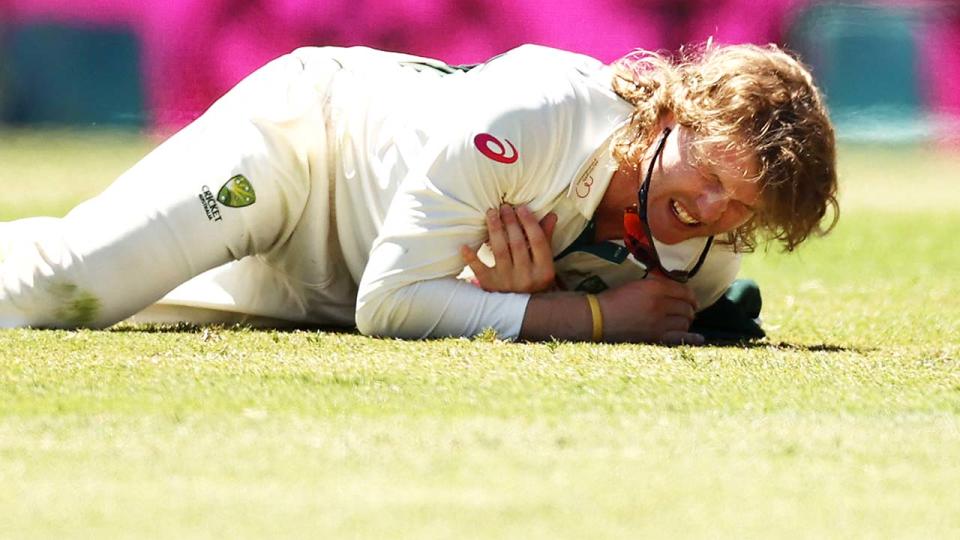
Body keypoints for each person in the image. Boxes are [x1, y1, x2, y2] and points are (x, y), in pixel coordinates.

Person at [0, 42, 837, 344]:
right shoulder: (541, 110)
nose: (715, 214)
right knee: (64, 290)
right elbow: (393, 306)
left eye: (747, 211)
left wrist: (523, 297)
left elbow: (427, 293)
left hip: (330, 287)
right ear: (673, 112)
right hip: (304, 155)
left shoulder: (709, 262)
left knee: (133, 302)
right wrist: (584, 319)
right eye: (712, 176)